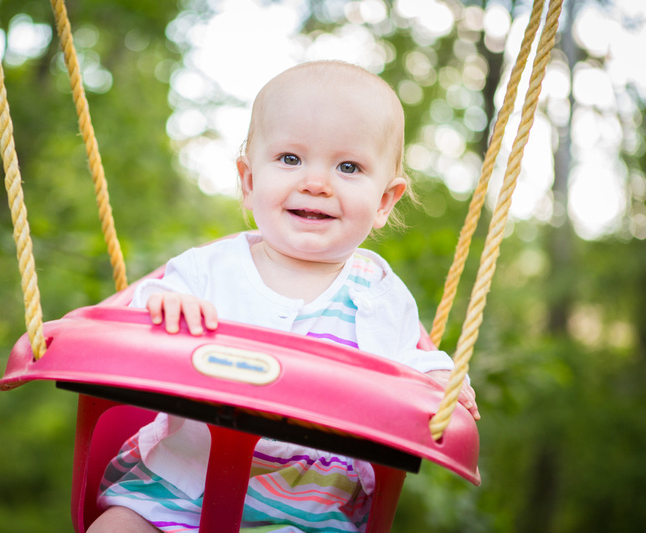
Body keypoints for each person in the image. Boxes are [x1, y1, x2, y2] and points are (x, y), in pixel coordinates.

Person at [88, 60, 480, 533]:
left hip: (310, 512)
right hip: (179, 489)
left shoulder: (378, 296)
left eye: (348, 166)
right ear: (250, 182)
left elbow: (406, 369)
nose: (316, 182)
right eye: (291, 159)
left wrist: (439, 379)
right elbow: (138, 312)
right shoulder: (209, 269)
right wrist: (163, 306)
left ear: (383, 201)